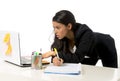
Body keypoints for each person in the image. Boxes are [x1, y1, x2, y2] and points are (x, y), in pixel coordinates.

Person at [42, 10, 118, 68]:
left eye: (58, 28)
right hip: (87, 53)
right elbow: (60, 55)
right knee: (84, 73)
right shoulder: (61, 35)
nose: (55, 31)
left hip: (105, 46)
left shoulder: (85, 32)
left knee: (111, 74)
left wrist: (55, 54)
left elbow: (77, 58)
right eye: (54, 27)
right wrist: (57, 59)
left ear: (69, 26)